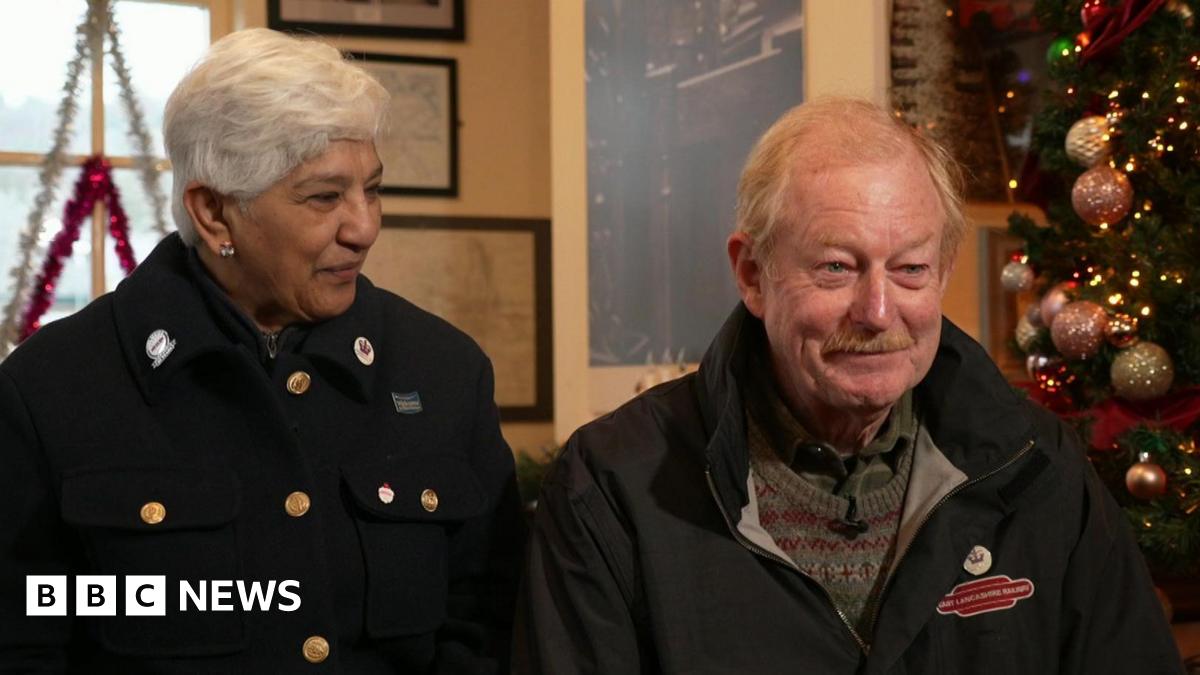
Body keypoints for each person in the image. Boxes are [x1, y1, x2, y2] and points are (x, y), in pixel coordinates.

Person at [514, 98, 1183, 673]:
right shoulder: (613, 485)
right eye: (836, 267)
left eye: (911, 268)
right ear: (752, 273)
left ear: (944, 271)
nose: (879, 311)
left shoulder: (1037, 466)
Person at [0, 28, 523, 673]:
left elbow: (490, 622)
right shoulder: (49, 392)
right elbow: (25, 640)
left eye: (373, 189)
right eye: (325, 197)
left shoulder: (445, 372)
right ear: (215, 214)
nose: (363, 227)